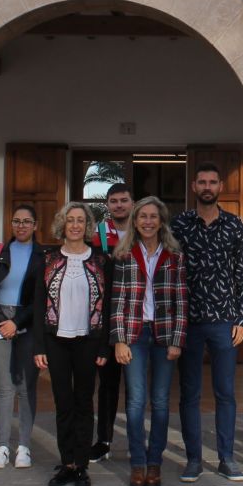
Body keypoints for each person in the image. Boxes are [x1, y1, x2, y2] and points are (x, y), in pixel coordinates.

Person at [171, 163, 243, 482]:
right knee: (189, 392)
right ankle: (193, 459)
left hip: (224, 321)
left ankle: (227, 458)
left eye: (212, 182)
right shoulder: (179, 225)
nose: (207, 186)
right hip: (189, 321)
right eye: (202, 182)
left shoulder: (234, 225)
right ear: (194, 186)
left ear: (220, 187)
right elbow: (169, 272)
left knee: (225, 392)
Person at [110, 197, 186, 486]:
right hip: (134, 334)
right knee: (136, 401)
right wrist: (119, 340)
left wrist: (177, 339)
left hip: (165, 334)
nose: (148, 222)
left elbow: (181, 301)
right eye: (143, 216)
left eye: (154, 216)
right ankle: (138, 462)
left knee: (161, 402)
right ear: (135, 220)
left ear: (161, 221)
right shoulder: (124, 254)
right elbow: (117, 302)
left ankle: (155, 461)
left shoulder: (174, 256)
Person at [36, 202, 110, 486]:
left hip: (88, 340)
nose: (76, 225)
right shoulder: (47, 259)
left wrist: (104, 346)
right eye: (71, 220)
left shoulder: (102, 260)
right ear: (62, 225)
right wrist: (38, 347)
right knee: (63, 402)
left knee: (83, 402)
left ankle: (81, 464)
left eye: (81, 220)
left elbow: (108, 307)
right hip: (56, 340)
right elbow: (39, 303)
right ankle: (66, 462)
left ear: (88, 226)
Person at [0, 202, 52, 471]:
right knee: (4, 387)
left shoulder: (43, 255)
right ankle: (2, 446)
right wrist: (1, 321)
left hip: (28, 324)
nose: (21, 226)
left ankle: (24, 446)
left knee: (25, 387)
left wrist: (16, 321)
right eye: (16, 221)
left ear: (35, 225)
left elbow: (42, 298)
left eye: (26, 221)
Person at [89, 182, 133, 463]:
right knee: (107, 385)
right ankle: (103, 440)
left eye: (123, 200)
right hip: (106, 318)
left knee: (137, 386)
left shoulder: (143, 230)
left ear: (132, 202)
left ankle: (135, 440)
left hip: (137, 316)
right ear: (107, 205)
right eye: (113, 201)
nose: (119, 205)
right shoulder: (99, 235)